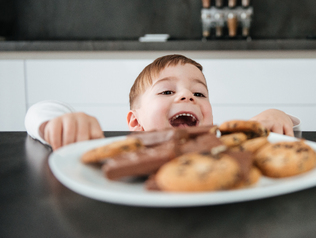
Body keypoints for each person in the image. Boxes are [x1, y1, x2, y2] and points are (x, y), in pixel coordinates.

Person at [25, 54, 300, 150]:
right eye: (167, 92)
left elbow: (285, 130)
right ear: (135, 122)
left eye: (200, 94)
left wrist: (274, 115)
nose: (186, 96)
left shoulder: (224, 144)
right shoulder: (121, 151)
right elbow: (37, 111)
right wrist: (57, 124)